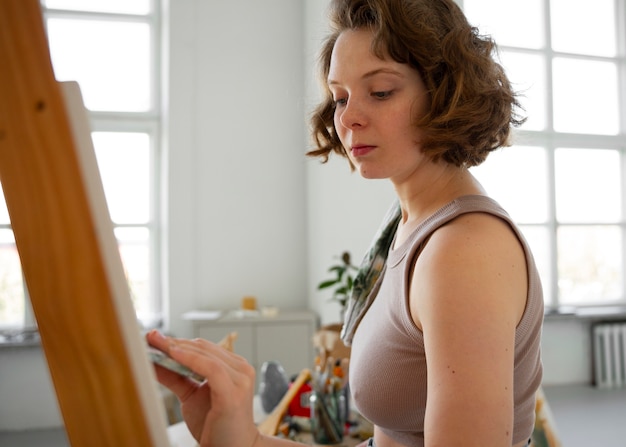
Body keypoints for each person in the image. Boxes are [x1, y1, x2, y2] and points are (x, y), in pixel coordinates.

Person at [146, 0, 544, 446]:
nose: (348, 117)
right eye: (340, 97)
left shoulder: (463, 250)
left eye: (380, 91)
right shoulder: (408, 226)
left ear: (444, 92)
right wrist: (246, 442)